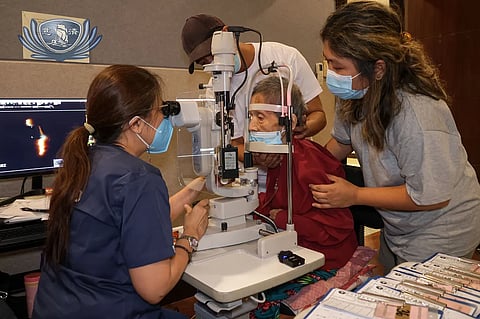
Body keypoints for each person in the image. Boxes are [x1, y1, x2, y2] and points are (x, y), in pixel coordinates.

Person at [310, 1, 480, 274]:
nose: (330, 73)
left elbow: (429, 197)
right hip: (399, 225)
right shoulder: (354, 94)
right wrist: (307, 166)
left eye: (338, 67)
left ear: (378, 68)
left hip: (442, 227)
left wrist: (354, 194)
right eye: (328, 61)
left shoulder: (418, 114)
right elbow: (342, 143)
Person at [32, 65, 210, 319]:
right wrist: (189, 236)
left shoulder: (82, 162)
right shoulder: (139, 178)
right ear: (137, 124)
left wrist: (195, 188)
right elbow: (155, 289)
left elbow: (128, 221)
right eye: (160, 110)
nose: (164, 119)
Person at [181, 14, 326, 172]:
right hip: (252, 178)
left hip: (295, 171)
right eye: (204, 63)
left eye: (212, 54)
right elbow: (234, 144)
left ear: (226, 34)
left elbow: (318, 114)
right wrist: (259, 158)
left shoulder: (286, 58)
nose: (212, 63)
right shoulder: (216, 89)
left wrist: (303, 129)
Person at [250, 76, 357, 270]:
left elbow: (335, 228)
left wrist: (282, 218)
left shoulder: (308, 165)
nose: (251, 126)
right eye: (251, 117)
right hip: (298, 245)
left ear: (288, 122)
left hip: (327, 260)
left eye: (260, 117)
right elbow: (280, 200)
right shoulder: (279, 157)